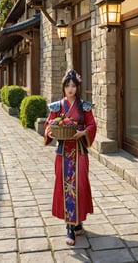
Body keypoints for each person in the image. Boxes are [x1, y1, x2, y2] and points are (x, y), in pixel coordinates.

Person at [44, 69, 97, 246]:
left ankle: (79, 220)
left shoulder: (84, 107)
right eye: (68, 86)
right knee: (65, 187)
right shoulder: (57, 106)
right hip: (63, 153)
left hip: (79, 151)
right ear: (64, 87)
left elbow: (92, 125)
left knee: (80, 186)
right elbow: (49, 124)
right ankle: (69, 227)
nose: (71, 89)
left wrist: (83, 132)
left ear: (78, 87)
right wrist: (50, 131)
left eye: (73, 86)